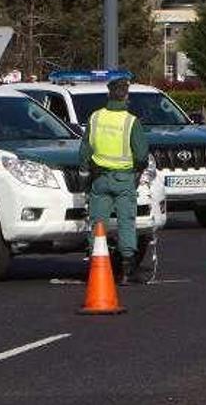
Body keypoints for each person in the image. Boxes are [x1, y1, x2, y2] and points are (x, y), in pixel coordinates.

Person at [80, 77, 149, 285]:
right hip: (123, 179)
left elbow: (85, 150)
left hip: (99, 178)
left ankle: (96, 268)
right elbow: (141, 155)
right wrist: (137, 171)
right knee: (126, 222)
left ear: (108, 95)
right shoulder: (131, 121)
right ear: (126, 96)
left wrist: (85, 173)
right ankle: (127, 270)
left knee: (97, 223)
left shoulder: (95, 118)